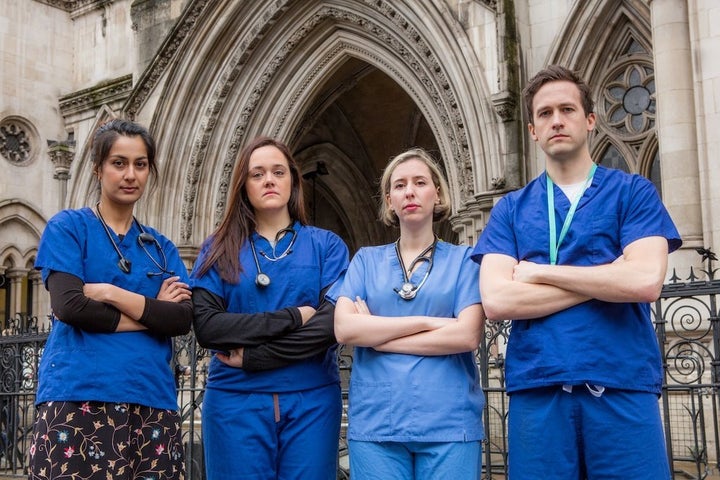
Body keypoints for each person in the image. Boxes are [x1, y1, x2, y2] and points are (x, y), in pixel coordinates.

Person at [472, 65, 682, 479]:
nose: (556, 120)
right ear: (532, 130)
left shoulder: (632, 192)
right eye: (545, 113)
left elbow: (644, 282)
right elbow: (498, 300)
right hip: (539, 390)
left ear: (589, 120)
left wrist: (539, 273)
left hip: (621, 384)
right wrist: (608, 276)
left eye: (567, 109)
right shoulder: (510, 210)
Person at [29, 119, 193, 479]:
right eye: (118, 163)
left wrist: (110, 293)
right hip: (78, 396)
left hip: (151, 399)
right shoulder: (69, 228)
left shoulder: (161, 248)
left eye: (140, 164)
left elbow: (181, 320)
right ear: (97, 169)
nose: (130, 174)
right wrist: (151, 314)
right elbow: (70, 307)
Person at [190, 136, 349, 480]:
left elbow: (332, 324)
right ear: (243, 185)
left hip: (312, 400)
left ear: (292, 180)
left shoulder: (326, 246)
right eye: (257, 174)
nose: (269, 180)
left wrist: (257, 358)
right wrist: (292, 317)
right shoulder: (217, 248)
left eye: (278, 172)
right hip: (235, 401)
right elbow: (208, 327)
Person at [331, 148, 486, 480]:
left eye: (419, 182)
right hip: (377, 425)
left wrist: (378, 335)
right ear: (390, 200)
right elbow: (344, 329)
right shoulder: (365, 261)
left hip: (448, 424)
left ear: (438, 194)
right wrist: (429, 322)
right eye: (399, 185)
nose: (410, 191)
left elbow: (467, 335)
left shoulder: (463, 261)